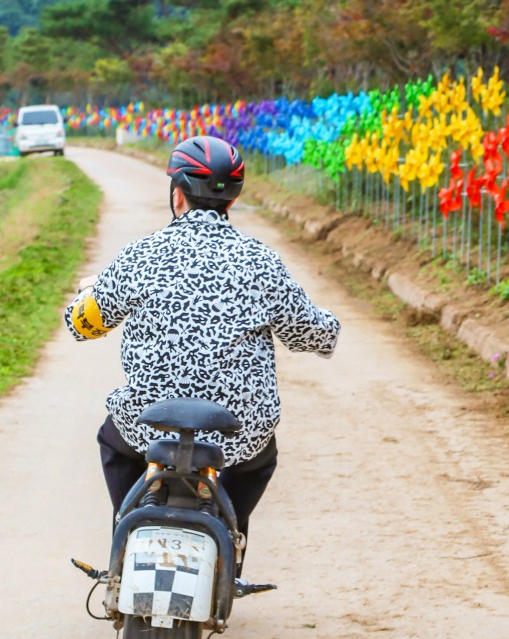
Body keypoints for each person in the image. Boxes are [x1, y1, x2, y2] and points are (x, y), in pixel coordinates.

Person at [64, 135, 340, 539]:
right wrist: (327, 323)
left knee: (113, 440)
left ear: (178, 195)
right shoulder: (261, 262)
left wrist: (87, 295)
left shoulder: (140, 255)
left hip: (151, 423)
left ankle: (126, 535)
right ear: (231, 200)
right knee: (260, 460)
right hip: (236, 429)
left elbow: (82, 324)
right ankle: (229, 534)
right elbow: (315, 334)